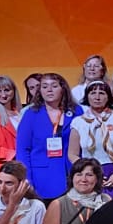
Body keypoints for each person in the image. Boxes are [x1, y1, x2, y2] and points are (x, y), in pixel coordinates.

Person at [16, 72, 79, 201]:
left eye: (54, 86)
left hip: (73, 174)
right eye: (44, 86)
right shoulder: (31, 114)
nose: (49, 90)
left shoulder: (76, 111)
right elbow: (22, 149)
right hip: (42, 178)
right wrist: (27, 178)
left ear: (63, 89)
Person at [72, 78, 113, 195]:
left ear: (108, 96)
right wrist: (88, 172)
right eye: (93, 93)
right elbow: (72, 154)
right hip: (90, 173)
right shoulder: (78, 122)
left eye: (101, 93)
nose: (97, 97)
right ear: (87, 96)